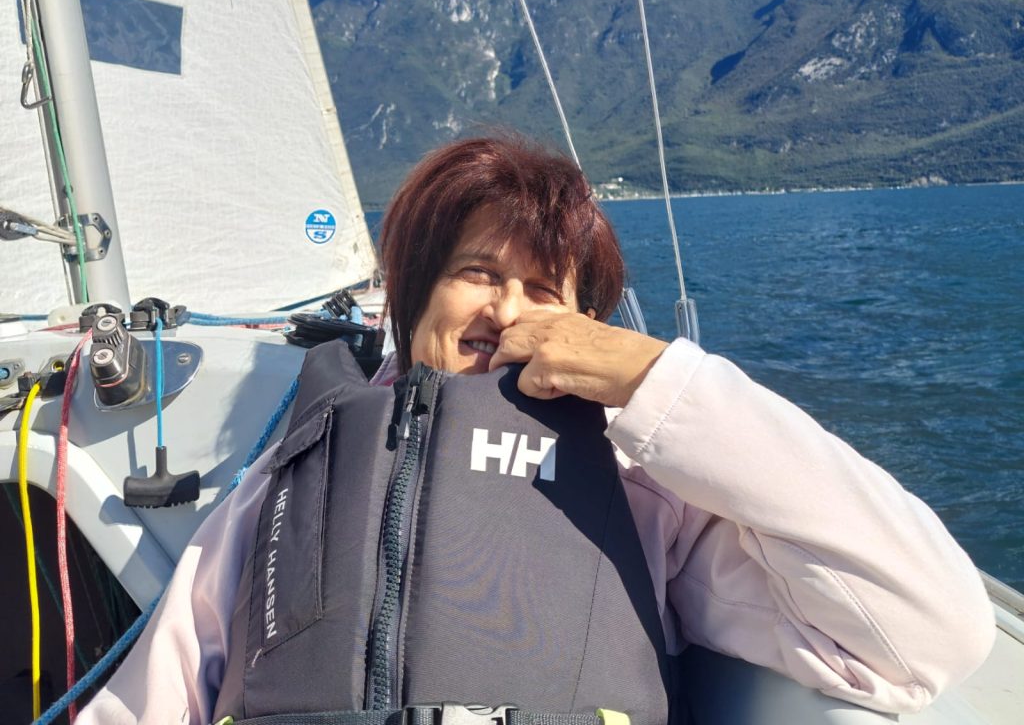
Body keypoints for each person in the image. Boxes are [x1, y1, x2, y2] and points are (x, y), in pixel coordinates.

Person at [79, 135, 994, 725]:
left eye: (545, 290)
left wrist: (656, 378)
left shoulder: (641, 494)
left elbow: (933, 631)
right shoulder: (298, 466)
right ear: (414, 296)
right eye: (477, 273)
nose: (508, 310)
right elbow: (150, 697)